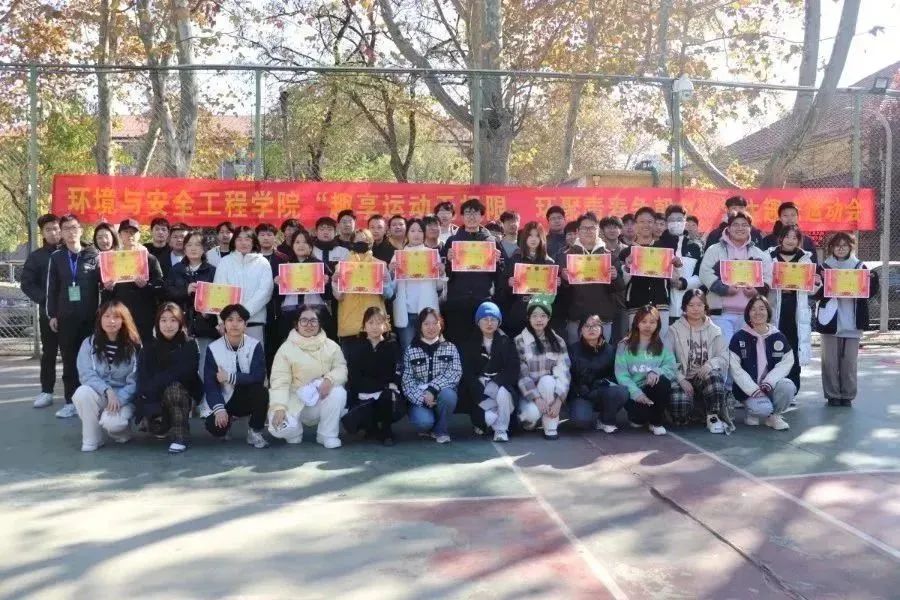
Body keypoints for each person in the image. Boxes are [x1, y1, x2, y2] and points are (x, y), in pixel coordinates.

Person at [268, 304, 348, 449]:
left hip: (320, 398)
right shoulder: (285, 349)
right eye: (304, 320)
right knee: (277, 429)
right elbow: (279, 381)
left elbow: (341, 368)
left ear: (319, 324)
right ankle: (294, 432)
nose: (309, 325)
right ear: (296, 324)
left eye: (313, 321)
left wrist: (329, 379)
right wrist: (279, 407)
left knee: (338, 393)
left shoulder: (331, 346)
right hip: (294, 401)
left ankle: (327, 435)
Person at [813, 233, 879, 407]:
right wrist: (819, 283)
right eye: (837, 245)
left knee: (849, 362)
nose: (841, 248)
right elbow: (814, 294)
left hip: (852, 321)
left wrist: (872, 281)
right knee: (829, 361)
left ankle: (847, 395)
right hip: (830, 321)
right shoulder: (823, 267)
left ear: (851, 247)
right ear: (831, 248)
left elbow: (870, 292)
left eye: (844, 245)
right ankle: (832, 395)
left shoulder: (861, 267)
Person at [46, 214, 101, 418]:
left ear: (81, 230)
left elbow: (103, 284)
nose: (71, 232)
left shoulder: (93, 255)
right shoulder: (56, 257)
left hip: (90, 317)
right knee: (69, 360)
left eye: (74, 227)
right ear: (62, 232)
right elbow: (52, 289)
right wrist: (52, 314)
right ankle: (70, 401)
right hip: (66, 317)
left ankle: (93, 400)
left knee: (91, 360)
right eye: (66, 228)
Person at [72, 300, 141, 452]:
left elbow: (135, 381)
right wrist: (107, 391)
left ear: (124, 320)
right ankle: (92, 439)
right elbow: (86, 374)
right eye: (107, 316)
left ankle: (122, 432)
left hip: (124, 398)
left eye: (116, 317)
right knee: (82, 393)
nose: (111, 321)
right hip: (100, 393)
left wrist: (119, 399)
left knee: (114, 425)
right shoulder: (89, 343)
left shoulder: (134, 346)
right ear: (100, 319)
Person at [699, 211, 772, 346]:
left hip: (750, 315)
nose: (740, 228)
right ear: (728, 227)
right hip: (721, 315)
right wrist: (724, 289)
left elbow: (768, 277)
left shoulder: (759, 254)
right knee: (724, 352)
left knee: (746, 353)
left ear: (750, 228)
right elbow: (705, 273)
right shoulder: (715, 250)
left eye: (744, 225)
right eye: (736, 225)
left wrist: (756, 291)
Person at [135, 303, 201, 454]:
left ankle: (180, 437)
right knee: (158, 427)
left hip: (183, 394)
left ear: (180, 322)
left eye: (173, 320)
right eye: (163, 320)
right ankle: (158, 422)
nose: (168, 325)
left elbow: (186, 373)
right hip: (155, 397)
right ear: (158, 323)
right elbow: (143, 378)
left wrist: (159, 382)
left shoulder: (190, 344)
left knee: (174, 389)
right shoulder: (149, 347)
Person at [666, 290, 733, 434]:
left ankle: (712, 415)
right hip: (682, 379)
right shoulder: (674, 330)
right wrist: (681, 379)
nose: (695, 309)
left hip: (704, 377)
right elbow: (667, 359)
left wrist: (710, 364)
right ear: (684, 307)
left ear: (705, 307)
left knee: (714, 377)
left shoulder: (715, 330)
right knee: (680, 409)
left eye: (699, 305)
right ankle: (697, 410)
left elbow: (723, 356)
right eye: (691, 305)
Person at [203, 304, 269, 448]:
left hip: (248, 395)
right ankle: (229, 419)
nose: (234, 324)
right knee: (215, 428)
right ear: (223, 324)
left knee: (261, 392)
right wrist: (219, 409)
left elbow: (258, 376)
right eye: (230, 320)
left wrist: (230, 377)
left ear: (245, 325)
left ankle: (255, 431)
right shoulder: (213, 348)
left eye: (239, 320)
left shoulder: (254, 345)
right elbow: (210, 384)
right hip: (226, 398)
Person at [441, 198, 503, 344]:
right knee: (458, 339)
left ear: (481, 216)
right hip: (458, 299)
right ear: (462, 216)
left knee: (481, 342)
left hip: (482, 299)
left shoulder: (491, 241)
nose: (471, 216)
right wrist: (448, 261)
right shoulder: (452, 241)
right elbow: (445, 274)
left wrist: (497, 262)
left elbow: (499, 275)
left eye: (475, 213)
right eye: (468, 213)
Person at [729, 296, 795, 430]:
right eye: (753, 309)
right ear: (748, 313)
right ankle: (752, 411)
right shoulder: (739, 337)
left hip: (770, 386)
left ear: (768, 312)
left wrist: (769, 382)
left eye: (762, 308)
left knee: (788, 386)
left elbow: (786, 362)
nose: (757, 312)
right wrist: (753, 389)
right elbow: (735, 369)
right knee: (762, 409)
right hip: (749, 390)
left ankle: (774, 416)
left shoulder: (778, 336)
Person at [163, 229, 218, 388]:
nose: (193, 248)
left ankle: (205, 400)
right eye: (189, 245)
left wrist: (209, 313)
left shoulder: (212, 271)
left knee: (205, 368)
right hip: (182, 326)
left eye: (198, 245)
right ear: (184, 248)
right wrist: (185, 291)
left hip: (205, 327)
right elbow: (167, 293)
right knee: (182, 368)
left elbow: (219, 299)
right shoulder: (176, 270)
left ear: (204, 249)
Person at [342, 307, 404, 445]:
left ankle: (387, 431)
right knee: (365, 408)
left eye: (379, 322)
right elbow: (355, 377)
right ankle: (371, 428)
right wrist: (382, 385)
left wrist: (391, 384)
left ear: (386, 325)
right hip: (365, 392)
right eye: (370, 323)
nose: (375, 327)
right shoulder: (356, 347)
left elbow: (399, 369)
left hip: (387, 393)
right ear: (364, 326)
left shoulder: (392, 345)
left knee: (388, 397)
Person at [768, 225, 819, 393]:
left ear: (799, 241)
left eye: (794, 238)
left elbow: (811, 290)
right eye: (787, 237)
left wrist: (816, 282)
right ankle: (773, 388)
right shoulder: (769, 256)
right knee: (774, 349)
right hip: (775, 310)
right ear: (781, 238)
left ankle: (793, 390)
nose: (790, 240)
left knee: (794, 349)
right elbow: (764, 281)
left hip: (795, 311)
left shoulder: (805, 259)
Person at [401, 307, 462, 444]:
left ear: (441, 325)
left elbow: (455, 373)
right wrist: (423, 398)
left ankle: (441, 430)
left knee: (449, 396)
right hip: (420, 399)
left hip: (441, 394)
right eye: (426, 324)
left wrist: (433, 389)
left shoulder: (450, 347)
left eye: (435, 323)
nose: (431, 327)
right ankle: (429, 424)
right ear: (420, 326)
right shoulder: (411, 350)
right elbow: (407, 381)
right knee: (423, 422)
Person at [461, 302, 519, 442]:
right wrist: (480, 388)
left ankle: (501, 430)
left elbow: (513, 368)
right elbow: (468, 373)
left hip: (501, 385)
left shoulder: (507, 342)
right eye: (485, 319)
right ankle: (492, 421)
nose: (489, 323)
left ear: (498, 322)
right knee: (489, 417)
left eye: (493, 319)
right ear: (478, 322)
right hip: (480, 390)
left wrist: (496, 383)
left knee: (503, 393)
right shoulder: (470, 344)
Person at [560, 212, 622, 344]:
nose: (588, 231)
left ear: (598, 230)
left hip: (602, 318)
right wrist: (564, 280)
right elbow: (560, 292)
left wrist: (615, 277)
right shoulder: (567, 256)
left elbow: (619, 288)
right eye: (584, 228)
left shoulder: (609, 256)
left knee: (602, 353)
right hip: (576, 318)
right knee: (576, 353)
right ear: (578, 231)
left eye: (592, 228)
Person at [515, 296, 571, 440]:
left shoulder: (558, 341)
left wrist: (559, 401)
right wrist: (537, 398)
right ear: (528, 318)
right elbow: (521, 375)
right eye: (534, 316)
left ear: (548, 318)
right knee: (531, 413)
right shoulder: (519, 341)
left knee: (547, 381)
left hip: (550, 392)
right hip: (528, 395)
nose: (539, 320)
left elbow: (564, 372)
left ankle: (551, 426)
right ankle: (532, 420)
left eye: (543, 316)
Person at [614, 305, 675, 436]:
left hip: (652, 388)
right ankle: (643, 416)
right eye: (644, 321)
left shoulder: (664, 343)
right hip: (634, 393)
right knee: (639, 419)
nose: (648, 325)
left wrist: (656, 371)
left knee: (663, 382)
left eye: (652, 322)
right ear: (637, 323)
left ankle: (656, 422)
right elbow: (621, 374)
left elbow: (671, 367)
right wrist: (636, 393)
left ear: (658, 324)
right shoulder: (624, 345)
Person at [101, 218, 164, 343]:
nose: (130, 235)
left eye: (133, 232)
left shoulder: (149, 259)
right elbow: (105, 293)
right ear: (119, 235)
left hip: (144, 316)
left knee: (144, 349)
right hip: (120, 316)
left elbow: (160, 287)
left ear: (139, 235)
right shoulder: (112, 260)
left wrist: (146, 286)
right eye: (126, 232)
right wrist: (108, 288)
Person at [20, 213, 61, 409]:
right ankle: (46, 391)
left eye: (56, 228)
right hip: (48, 313)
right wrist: (46, 299)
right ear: (43, 233)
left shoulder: (72, 252)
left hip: (73, 312)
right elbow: (27, 284)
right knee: (49, 353)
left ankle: (77, 392)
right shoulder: (36, 257)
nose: (53, 233)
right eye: (48, 230)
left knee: (75, 353)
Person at [567, 314, 630, 433]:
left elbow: (616, 375)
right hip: (581, 395)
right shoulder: (572, 350)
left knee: (621, 392)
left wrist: (601, 383)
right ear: (581, 330)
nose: (591, 329)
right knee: (580, 421)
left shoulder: (610, 350)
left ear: (601, 329)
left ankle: (605, 420)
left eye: (595, 325)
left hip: (602, 392)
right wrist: (577, 390)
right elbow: (567, 377)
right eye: (587, 326)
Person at [213, 226, 274, 345]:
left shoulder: (263, 263)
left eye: (247, 239)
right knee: (230, 355)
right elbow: (219, 292)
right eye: (239, 239)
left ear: (253, 241)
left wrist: (244, 313)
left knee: (254, 354)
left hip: (255, 321)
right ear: (234, 241)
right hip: (230, 323)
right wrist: (222, 320)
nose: (243, 243)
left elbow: (265, 291)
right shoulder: (225, 262)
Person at [620, 207, 675, 338]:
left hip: (660, 303)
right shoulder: (626, 252)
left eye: (650, 222)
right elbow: (622, 283)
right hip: (636, 303)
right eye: (642, 221)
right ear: (636, 224)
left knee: (661, 342)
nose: (646, 225)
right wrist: (627, 268)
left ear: (654, 224)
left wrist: (676, 265)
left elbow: (673, 277)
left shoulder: (664, 249)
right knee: (636, 342)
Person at [273, 229, 333, 351]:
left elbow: (329, 296)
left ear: (310, 247)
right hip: (289, 313)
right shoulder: (285, 266)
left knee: (316, 347)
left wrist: (327, 283)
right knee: (291, 349)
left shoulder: (319, 266)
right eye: (297, 242)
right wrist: (277, 284)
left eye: (305, 242)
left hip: (315, 312)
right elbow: (278, 297)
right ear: (292, 246)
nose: (301, 245)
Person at [333, 228, 396, 342]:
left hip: (375, 323)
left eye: (365, 240)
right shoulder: (342, 266)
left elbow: (389, 295)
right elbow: (338, 296)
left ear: (371, 243)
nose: (361, 243)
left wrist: (385, 283)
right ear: (352, 243)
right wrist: (335, 281)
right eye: (358, 241)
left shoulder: (380, 265)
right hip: (350, 322)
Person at [391, 218, 444, 349]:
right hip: (406, 312)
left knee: (429, 348)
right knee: (408, 349)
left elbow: (438, 287)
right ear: (407, 234)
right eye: (412, 230)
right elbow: (392, 289)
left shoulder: (432, 255)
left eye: (420, 231)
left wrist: (441, 273)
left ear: (424, 234)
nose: (416, 234)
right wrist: (391, 272)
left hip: (427, 312)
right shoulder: (399, 256)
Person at [500, 221, 556, 338]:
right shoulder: (516, 258)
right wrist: (508, 283)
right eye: (530, 235)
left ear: (542, 238)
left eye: (537, 236)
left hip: (540, 315)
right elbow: (502, 286)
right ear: (525, 237)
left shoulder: (548, 262)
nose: (533, 239)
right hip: (519, 313)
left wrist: (556, 284)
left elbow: (552, 296)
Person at [658, 205, 703, 322]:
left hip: (688, 308)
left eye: (679, 220)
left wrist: (683, 283)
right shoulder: (658, 245)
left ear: (685, 222)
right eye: (672, 220)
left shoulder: (695, 247)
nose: (676, 223)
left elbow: (701, 275)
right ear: (666, 223)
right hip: (663, 307)